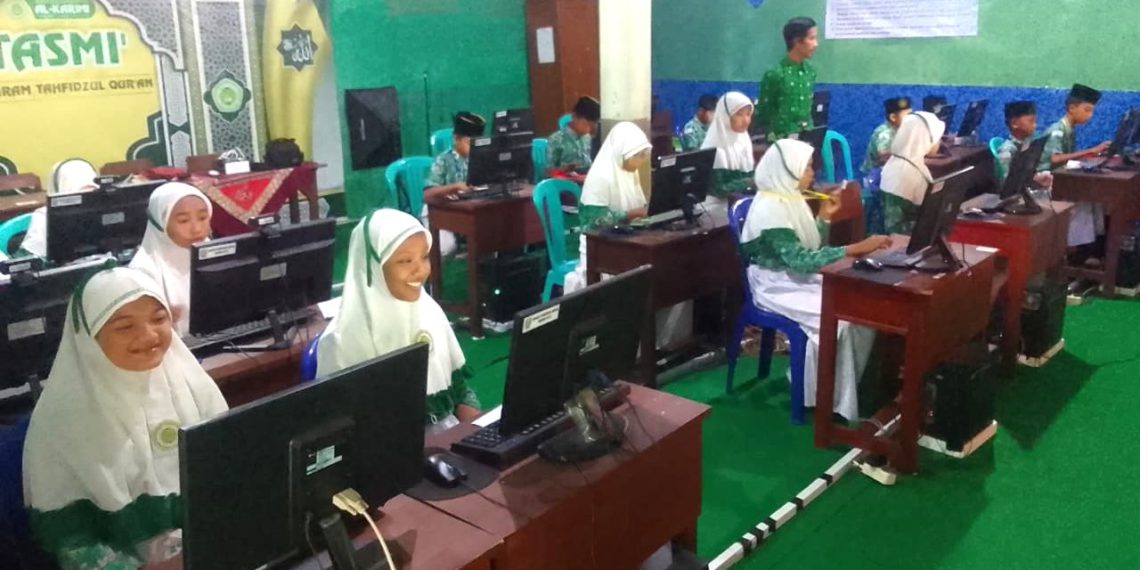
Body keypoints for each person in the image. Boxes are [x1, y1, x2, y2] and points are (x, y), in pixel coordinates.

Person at [23, 267, 228, 570]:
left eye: (158, 319)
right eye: (124, 327)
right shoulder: (61, 419)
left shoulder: (192, 384)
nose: (149, 335)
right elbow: (72, 543)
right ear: (90, 338)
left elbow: (230, 475)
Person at [739, 139, 891, 421]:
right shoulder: (770, 210)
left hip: (793, 276)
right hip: (774, 284)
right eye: (807, 167)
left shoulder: (788, 199)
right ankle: (826, 397)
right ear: (789, 170)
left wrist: (824, 217)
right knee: (841, 317)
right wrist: (854, 248)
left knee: (859, 309)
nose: (812, 173)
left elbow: (808, 250)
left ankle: (838, 392)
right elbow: (801, 261)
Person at [316, 209, 480, 429]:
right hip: (386, 445)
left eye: (424, 257)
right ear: (373, 267)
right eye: (405, 261)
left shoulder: (429, 309)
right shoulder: (342, 342)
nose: (421, 270)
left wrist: (480, 430)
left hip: (444, 434)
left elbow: (459, 390)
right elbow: (343, 428)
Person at [564, 122, 691, 347]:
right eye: (637, 156)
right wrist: (629, 215)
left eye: (643, 155)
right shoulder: (600, 177)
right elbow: (592, 223)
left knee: (672, 272)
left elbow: (640, 209)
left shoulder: (628, 173)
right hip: (601, 249)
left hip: (629, 241)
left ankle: (662, 342)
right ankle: (633, 346)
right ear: (621, 152)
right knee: (641, 282)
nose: (641, 161)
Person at [129, 182, 213, 337]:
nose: (196, 229)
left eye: (202, 218)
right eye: (183, 221)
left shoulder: (214, 252)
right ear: (161, 223)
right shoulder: (143, 270)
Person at [1039, 83, 1111, 250]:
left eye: (1092, 111)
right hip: (1045, 182)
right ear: (1072, 108)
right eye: (1087, 110)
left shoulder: (1070, 129)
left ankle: (1091, 245)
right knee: (1083, 200)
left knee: (1095, 197)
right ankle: (1073, 248)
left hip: (1060, 178)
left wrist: (1091, 157)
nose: (1090, 116)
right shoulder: (1058, 130)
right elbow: (1055, 158)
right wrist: (1090, 151)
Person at [424, 111, 485, 256]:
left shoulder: (481, 159)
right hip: (439, 212)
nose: (474, 148)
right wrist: (455, 187)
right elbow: (427, 194)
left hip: (466, 210)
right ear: (456, 139)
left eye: (477, 144)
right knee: (446, 246)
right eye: (470, 143)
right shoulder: (443, 160)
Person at [19, 158, 100, 259]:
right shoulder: (44, 217)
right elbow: (33, 257)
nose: (87, 199)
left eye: (92, 191)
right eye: (81, 192)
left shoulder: (105, 210)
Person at [880, 112, 946, 235]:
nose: (939, 142)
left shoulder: (905, 163)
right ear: (924, 139)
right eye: (937, 138)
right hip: (901, 242)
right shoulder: (901, 173)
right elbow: (894, 229)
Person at [756, 17, 819, 141]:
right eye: (811, 38)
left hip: (806, 137)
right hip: (780, 140)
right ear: (797, 41)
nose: (816, 44)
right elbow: (764, 113)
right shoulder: (776, 74)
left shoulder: (810, 71)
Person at [702, 92, 757, 217]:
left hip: (739, 200)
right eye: (739, 114)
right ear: (725, 115)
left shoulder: (743, 139)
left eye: (748, 114)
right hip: (715, 207)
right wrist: (751, 181)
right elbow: (719, 189)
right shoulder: (714, 145)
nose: (746, 120)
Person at [547, 96, 601, 172]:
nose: (588, 130)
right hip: (565, 178)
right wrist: (565, 169)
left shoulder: (587, 138)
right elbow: (550, 171)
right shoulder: (557, 140)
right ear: (574, 117)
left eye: (591, 126)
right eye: (585, 124)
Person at [861, 97, 912, 174]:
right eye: (908, 115)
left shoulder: (903, 129)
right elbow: (883, 156)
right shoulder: (884, 132)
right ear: (893, 117)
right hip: (877, 173)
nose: (911, 119)